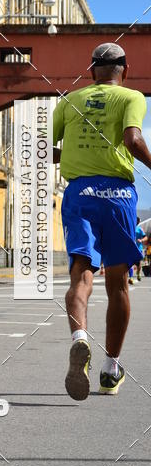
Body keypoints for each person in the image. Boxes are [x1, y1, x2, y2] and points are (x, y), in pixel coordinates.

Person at [53, 42, 151, 400]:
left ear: (91, 69)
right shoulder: (131, 97)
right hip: (118, 196)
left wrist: (75, 155)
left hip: (80, 193)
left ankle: (80, 338)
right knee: (118, 284)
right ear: (124, 69)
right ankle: (111, 368)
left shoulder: (68, 100)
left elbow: (43, 148)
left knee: (81, 272)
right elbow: (133, 139)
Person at [134, 217, 147, 281]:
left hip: (138, 248)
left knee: (138, 263)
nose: (137, 222)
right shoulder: (129, 227)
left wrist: (141, 240)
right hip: (130, 248)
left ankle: (138, 273)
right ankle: (130, 277)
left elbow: (145, 237)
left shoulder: (140, 229)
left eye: (138, 221)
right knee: (128, 263)